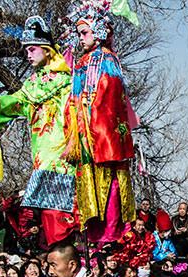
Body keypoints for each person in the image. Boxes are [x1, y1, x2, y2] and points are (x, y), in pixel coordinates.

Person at [0, 16, 79, 245]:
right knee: (50, 219)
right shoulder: (35, 82)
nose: (28, 55)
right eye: (26, 50)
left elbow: (75, 116)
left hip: (60, 156)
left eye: (32, 49)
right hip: (43, 156)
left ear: (47, 50)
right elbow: (19, 103)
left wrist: (73, 143)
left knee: (60, 219)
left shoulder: (65, 81)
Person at [62, 0, 139, 247]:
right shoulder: (82, 62)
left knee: (111, 185)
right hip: (85, 133)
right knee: (88, 182)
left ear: (99, 32)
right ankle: (92, 232)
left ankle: (110, 233)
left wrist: (93, 123)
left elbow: (109, 97)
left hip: (102, 134)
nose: (81, 38)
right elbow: (75, 99)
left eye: (84, 33)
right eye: (79, 34)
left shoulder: (107, 59)